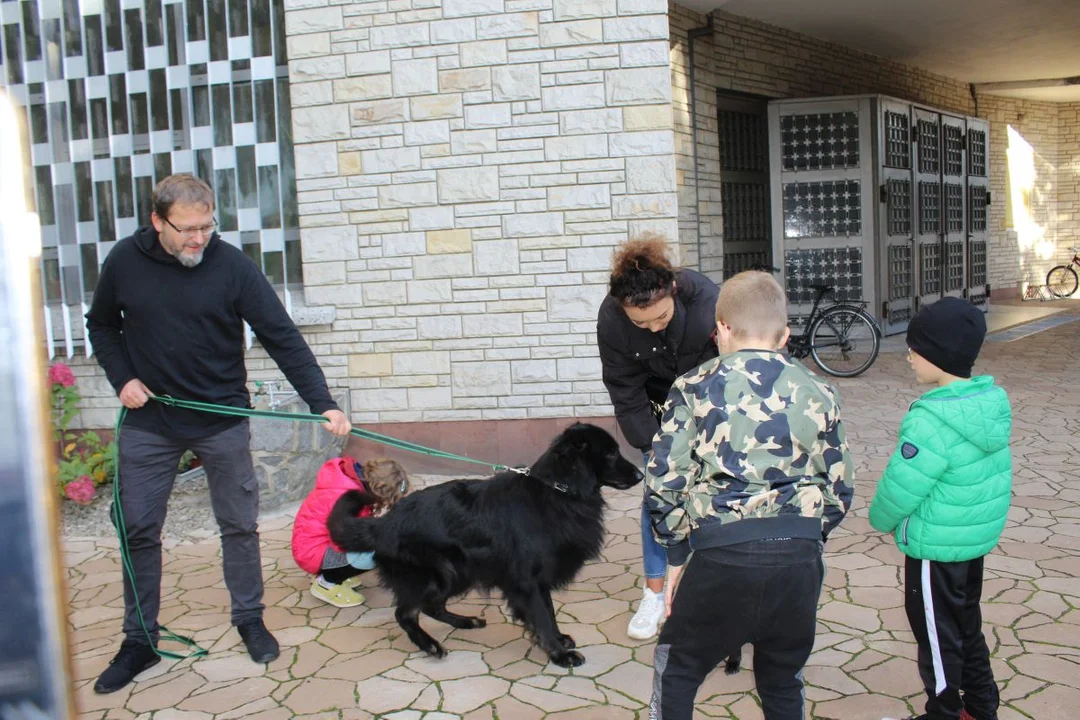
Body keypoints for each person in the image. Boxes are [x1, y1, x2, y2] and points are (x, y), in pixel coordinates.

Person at [86, 173, 352, 694]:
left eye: (207, 227)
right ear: (157, 221)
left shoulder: (231, 266)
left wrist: (322, 401)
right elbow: (102, 325)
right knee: (137, 526)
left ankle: (249, 618)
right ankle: (139, 640)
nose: (198, 239)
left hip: (223, 418)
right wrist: (124, 379)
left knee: (239, 524)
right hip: (150, 422)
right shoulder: (125, 261)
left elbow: (281, 334)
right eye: (187, 229)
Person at [646, 271, 854, 720]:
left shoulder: (693, 387)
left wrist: (677, 551)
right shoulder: (821, 391)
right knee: (782, 679)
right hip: (797, 559)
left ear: (720, 329)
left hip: (721, 556)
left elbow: (664, 482)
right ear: (784, 335)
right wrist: (806, 538)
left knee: (678, 668)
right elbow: (838, 488)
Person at [870, 298, 1011, 720]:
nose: (909, 355)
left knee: (936, 635)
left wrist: (880, 518)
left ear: (939, 354)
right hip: (970, 546)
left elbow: (902, 486)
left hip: (935, 550)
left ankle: (944, 712)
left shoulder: (930, 420)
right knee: (966, 625)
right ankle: (982, 706)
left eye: (915, 347)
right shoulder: (987, 403)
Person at [596, 234, 720, 640]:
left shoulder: (707, 301)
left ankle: (708, 590)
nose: (651, 328)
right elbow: (623, 388)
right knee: (658, 497)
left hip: (711, 408)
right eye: (640, 323)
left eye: (660, 319)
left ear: (673, 291)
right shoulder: (612, 320)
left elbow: (733, 369)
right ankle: (654, 592)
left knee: (715, 499)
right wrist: (653, 448)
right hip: (658, 411)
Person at [292, 456, 409, 607]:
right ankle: (327, 582)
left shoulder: (352, 483)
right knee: (376, 553)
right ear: (379, 486)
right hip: (312, 552)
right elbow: (341, 538)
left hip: (312, 544)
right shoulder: (345, 495)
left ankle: (334, 573)